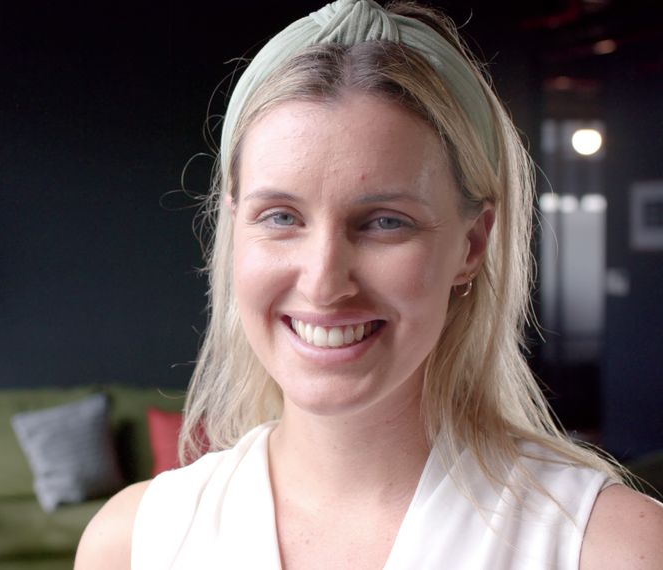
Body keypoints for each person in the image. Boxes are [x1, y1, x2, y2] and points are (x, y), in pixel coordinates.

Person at [76, 0, 663, 568]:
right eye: (281, 217)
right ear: (234, 230)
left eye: (385, 222)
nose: (325, 283)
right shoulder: (132, 545)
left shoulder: (612, 549)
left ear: (472, 244)